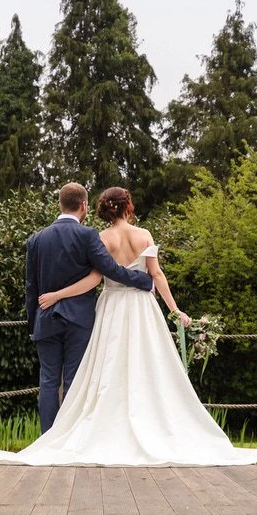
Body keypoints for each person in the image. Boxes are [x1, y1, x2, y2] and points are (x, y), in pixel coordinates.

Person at [0, 187, 257, 467]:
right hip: (142, 308)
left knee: (98, 370)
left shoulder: (100, 237)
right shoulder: (143, 235)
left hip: (110, 308)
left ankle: (61, 433)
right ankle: (148, 424)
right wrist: (174, 308)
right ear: (128, 206)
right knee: (147, 367)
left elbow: (97, 278)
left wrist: (44, 308)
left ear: (101, 208)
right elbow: (157, 274)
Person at [24, 182, 153, 433]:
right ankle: (68, 436)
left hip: (46, 318)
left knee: (48, 381)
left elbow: (31, 288)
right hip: (78, 320)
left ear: (60, 204)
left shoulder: (36, 240)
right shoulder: (87, 235)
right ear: (83, 206)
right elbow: (110, 270)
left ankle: (47, 437)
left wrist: (33, 323)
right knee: (74, 379)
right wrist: (143, 281)